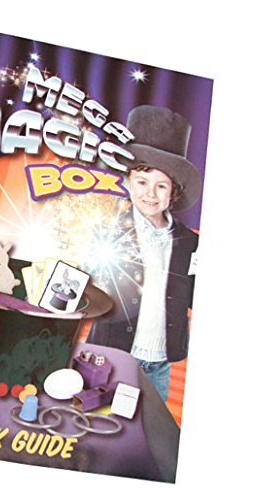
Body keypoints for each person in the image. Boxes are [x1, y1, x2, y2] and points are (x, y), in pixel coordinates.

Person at [87, 105, 201, 402]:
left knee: (150, 426)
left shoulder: (189, 242)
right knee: (101, 420)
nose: (151, 193)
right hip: (112, 357)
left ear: (174, 192)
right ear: (126, 181)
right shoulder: (109, 227)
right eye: (142, 182)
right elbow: (86, 279)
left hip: (160, 363)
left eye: (161, 186)